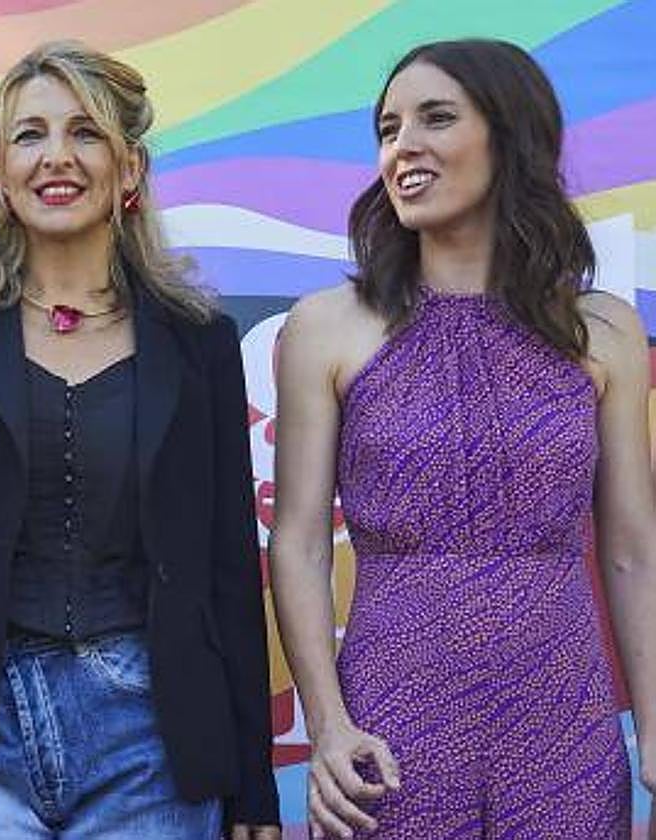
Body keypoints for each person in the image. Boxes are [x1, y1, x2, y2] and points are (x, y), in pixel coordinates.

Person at [0, 40, 280, 840]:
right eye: (29, 135)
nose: (55, 157)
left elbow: (227, 567)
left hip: (154, 740)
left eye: (85, 132)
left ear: (129, 169)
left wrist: (251, 786)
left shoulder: (196, 340)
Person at [270, 38, 656, 839]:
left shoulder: (606, 331)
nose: (402, 147)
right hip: (389, 728)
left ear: (510, 136)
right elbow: (300, 542)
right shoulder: (325, 328)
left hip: (566, 728)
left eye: (435, 118)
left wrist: (654, 727)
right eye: (387, 128)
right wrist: (329, 727)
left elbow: (631, 548)